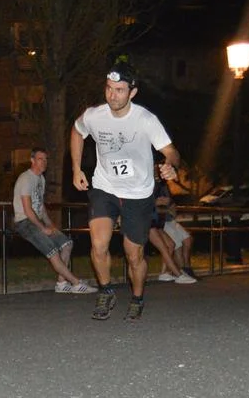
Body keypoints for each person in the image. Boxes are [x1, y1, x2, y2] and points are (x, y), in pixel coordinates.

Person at [70, 61, 181, 322]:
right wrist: (76, 168)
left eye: (119, 90)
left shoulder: (145, 120)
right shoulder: (94, 115)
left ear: (133, 92)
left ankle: (137, 297)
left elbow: (171, 151)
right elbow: (76, 132)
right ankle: (106, 291)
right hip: (105, 187)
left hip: (138, 194)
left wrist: (171, 165)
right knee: (98, 244)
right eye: (109, 88)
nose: (112, 95)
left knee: (134, 255)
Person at [11, 148, 96, 294]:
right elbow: (28, 210)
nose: (44, 162)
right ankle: (76, 283)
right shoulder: (26, 179)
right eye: (40, 159)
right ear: (32, 160)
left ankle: (61, 283)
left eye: (46, 159)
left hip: (36, 220)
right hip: (25, 222)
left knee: (67, 244)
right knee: (53, 251)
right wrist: (42, 228)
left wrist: (50, 224)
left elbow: (40, 205)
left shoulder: (41, 179)